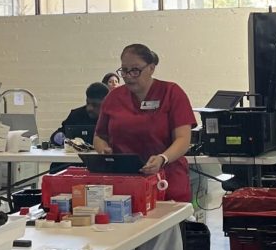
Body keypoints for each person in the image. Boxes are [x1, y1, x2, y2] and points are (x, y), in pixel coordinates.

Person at [93, 45, 195, 203]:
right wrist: (104, 150)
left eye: (135, 70)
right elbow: (100, 136)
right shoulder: (113, 97)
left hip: (166, 183)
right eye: (124, 71)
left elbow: (183, 139)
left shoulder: (172, 93)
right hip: (124, 186)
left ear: (151, 68)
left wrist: (163, 158)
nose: (128, 76)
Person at [50, 82, 109, 148]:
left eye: (95, 105)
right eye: (87, 103)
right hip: (75, 157)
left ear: (105, 104)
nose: (89, 108)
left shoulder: (112, 117)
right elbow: (58, 134)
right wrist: (59, 138)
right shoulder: (76, 115)